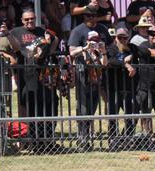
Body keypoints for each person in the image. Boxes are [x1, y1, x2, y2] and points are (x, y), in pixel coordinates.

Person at [10, 8, 59, 153]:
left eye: (32, 18)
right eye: (26, 19)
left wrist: (50, 43)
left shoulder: (42, 31)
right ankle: (34, 143)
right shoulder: (16, 32)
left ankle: (48, 141)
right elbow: (10, 48)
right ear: (22, 20)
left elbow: (54, 43)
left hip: (44, 74)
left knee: (51, 105)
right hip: (26, 75)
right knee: (32, 109)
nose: (30, 21)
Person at [68, 7, 110, 151]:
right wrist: (84, 48)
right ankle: (82, 137)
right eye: (87, 16)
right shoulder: (78, 31)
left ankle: (87, 136)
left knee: (93, 106)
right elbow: (71, 52)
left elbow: (108, 49)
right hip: (82, 74)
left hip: (97, 75)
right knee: (83, 107)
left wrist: (103, 51)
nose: (90, 18)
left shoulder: (103, 29)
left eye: (93, 15)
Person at [106, 27, 139, 146]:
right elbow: (110, 60)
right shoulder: (111, 48)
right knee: (113, 115)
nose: (121, 40)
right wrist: (125, 64)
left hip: (130, 87)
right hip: (114, 88)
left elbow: (142, 53)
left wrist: (132, 56)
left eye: (124, 38)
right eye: (119, 37)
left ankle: (128, 137)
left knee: (131, 114)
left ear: (128, 38)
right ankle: (113, 139)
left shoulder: (133, 48)